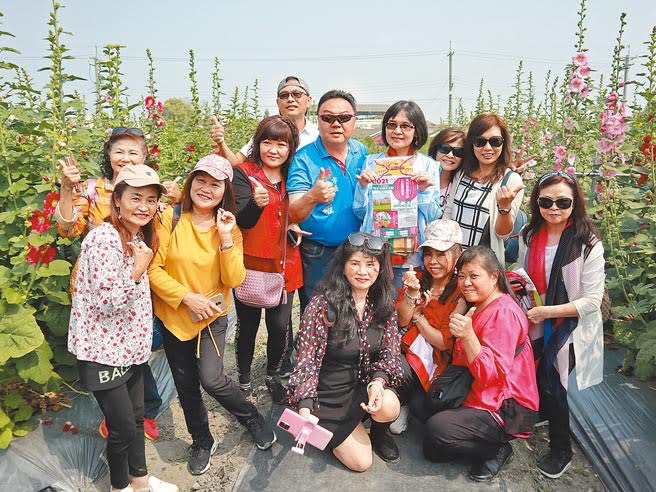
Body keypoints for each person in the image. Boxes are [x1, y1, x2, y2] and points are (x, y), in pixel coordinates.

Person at [148, 155, 276, 476]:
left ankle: (251, 418)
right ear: (191, 182)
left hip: (211, 316)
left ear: (224, 191)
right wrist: (186, 297)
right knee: (185, 381)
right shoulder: (170, 219)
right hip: (176, 314)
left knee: (212, 378)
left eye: (214, 184)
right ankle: (202, 440)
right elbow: (153, 269)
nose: (206, 189)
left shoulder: (228, 227)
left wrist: (226, 238)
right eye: (201, 181)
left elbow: (233, 279)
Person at [55, 127, 178, 441]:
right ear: (108, 155)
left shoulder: (151, 194)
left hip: (134, 286)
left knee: (138, 348)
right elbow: (68, 230)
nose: (125, 158)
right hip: (98, 290)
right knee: (104, 355)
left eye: (133, 152)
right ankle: (118, 415)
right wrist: (67, 190)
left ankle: (144, 410)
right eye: (119, 151)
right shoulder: (93, 190)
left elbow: (158, 241)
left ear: (145, 157)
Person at [68, 164, 178, 492]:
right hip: (102, 353)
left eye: (150, 199)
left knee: (136, 419)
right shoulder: (104, 238)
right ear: (117, 200)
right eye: (135, 197)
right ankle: (120, 487)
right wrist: (138, 268)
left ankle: (140, 481)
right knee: (122, 429)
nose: (143, 206)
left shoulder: (136, 235)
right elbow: (107, 303)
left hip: (128, 349)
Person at [287, 232, 403, 470]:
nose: (363, 272)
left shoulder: (384, 304)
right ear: (342, 266)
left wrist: (378, 383)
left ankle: (377, 433)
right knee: (361, 463)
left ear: (380, 268)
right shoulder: (321, 305)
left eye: (370, 265)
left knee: (390, 405)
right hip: (327, 394)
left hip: (362, 387)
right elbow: (306, 360)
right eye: (355, 264)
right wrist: (305, 405)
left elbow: (391, 353)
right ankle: (324, 427)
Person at [423, 246, 539, 482]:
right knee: (420, 405)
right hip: (473, 386)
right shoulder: (475, 302)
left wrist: (467, 336)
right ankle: (468, 436)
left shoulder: (503, 313)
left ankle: (496, 449)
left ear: (494, 276)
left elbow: (492, 375)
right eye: (462, 276)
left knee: (436, 432)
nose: (466, 283)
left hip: (502, 402)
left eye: (474, 276)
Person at [517, 170, 605, 479]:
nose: (554, 208)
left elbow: (592, 300)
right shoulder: (530, 233)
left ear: (575, 203)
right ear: (537, 203)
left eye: (563, 202)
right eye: (546, 201)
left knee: (555, 383)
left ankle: (561, 449)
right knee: (537, 371)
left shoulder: (587, 244)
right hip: (537, 316)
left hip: (570, 324)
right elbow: (523, 269)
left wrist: (549, 312)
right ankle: (542, 415)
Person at [232, 115, 304, 399]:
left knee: (278, 326)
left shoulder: (295, 176)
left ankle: (274, 374)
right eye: (267, 142)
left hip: (285, 266)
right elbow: (243, 220)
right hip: (252, 265)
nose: (273, 150)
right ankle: (244, 377)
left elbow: (303, 209)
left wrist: (296, 223)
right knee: (247, 326)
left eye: (281, 144)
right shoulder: (244, 173)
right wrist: (255, 204)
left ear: (290, 148)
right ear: (258, 143)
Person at [287, 89, 368, 308]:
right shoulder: (303, 159)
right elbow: (293, 213)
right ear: (318, 120)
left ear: (354, 120)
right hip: (318, 253)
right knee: (318, 314)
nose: (336, 124)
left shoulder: (361, 152)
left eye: (343, 118)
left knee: (353, 313)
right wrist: (312, 196)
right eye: (328, 118)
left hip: (356, 248)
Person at [353, 101, 441, 287]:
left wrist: (423, 192)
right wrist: (362, 187)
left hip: (410, 257)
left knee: (405, 310)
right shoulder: (371, 162)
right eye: (391, 125)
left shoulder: (428, 166)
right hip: (374, 252)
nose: (397, 131)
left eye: (405, 126)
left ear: (416, 131)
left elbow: (433, 217)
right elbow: (360, 213)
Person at [392, 219, 466, 433]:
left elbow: (443, 342)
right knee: (397, 367)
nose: (433, 261)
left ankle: (403, 399)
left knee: (423, 409)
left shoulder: (461, 291)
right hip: (407, 352)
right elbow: (401, 320)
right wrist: (412, 294)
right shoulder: (418, 278)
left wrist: (419, 318)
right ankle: (397, 400)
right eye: (428, 254)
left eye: (441, 254)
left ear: (458, 254)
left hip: (439, 362)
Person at [444, 114, 525, 266]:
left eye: (495, 141)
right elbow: (448, 214)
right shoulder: (462, 174)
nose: (487, 148)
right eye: (480, 142)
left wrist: (504, 207)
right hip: (454, 262)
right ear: (472, 144)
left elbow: (502, 234)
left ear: (503, 143)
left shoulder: (511, 181)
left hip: (483, 267)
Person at [211, 75, 318, 165]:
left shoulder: (318, 135)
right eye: (284, 95)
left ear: (309, 101)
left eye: (297, 94)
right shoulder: (267, 132)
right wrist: (221, 142)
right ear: (277, 102)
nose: (290, 99)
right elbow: (237, 163)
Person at [427, 127, 466, 209]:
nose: (450, 155)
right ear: (435, 150)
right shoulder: (420, 177)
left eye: (458, 152)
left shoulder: (461, 187)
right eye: (445, 148)